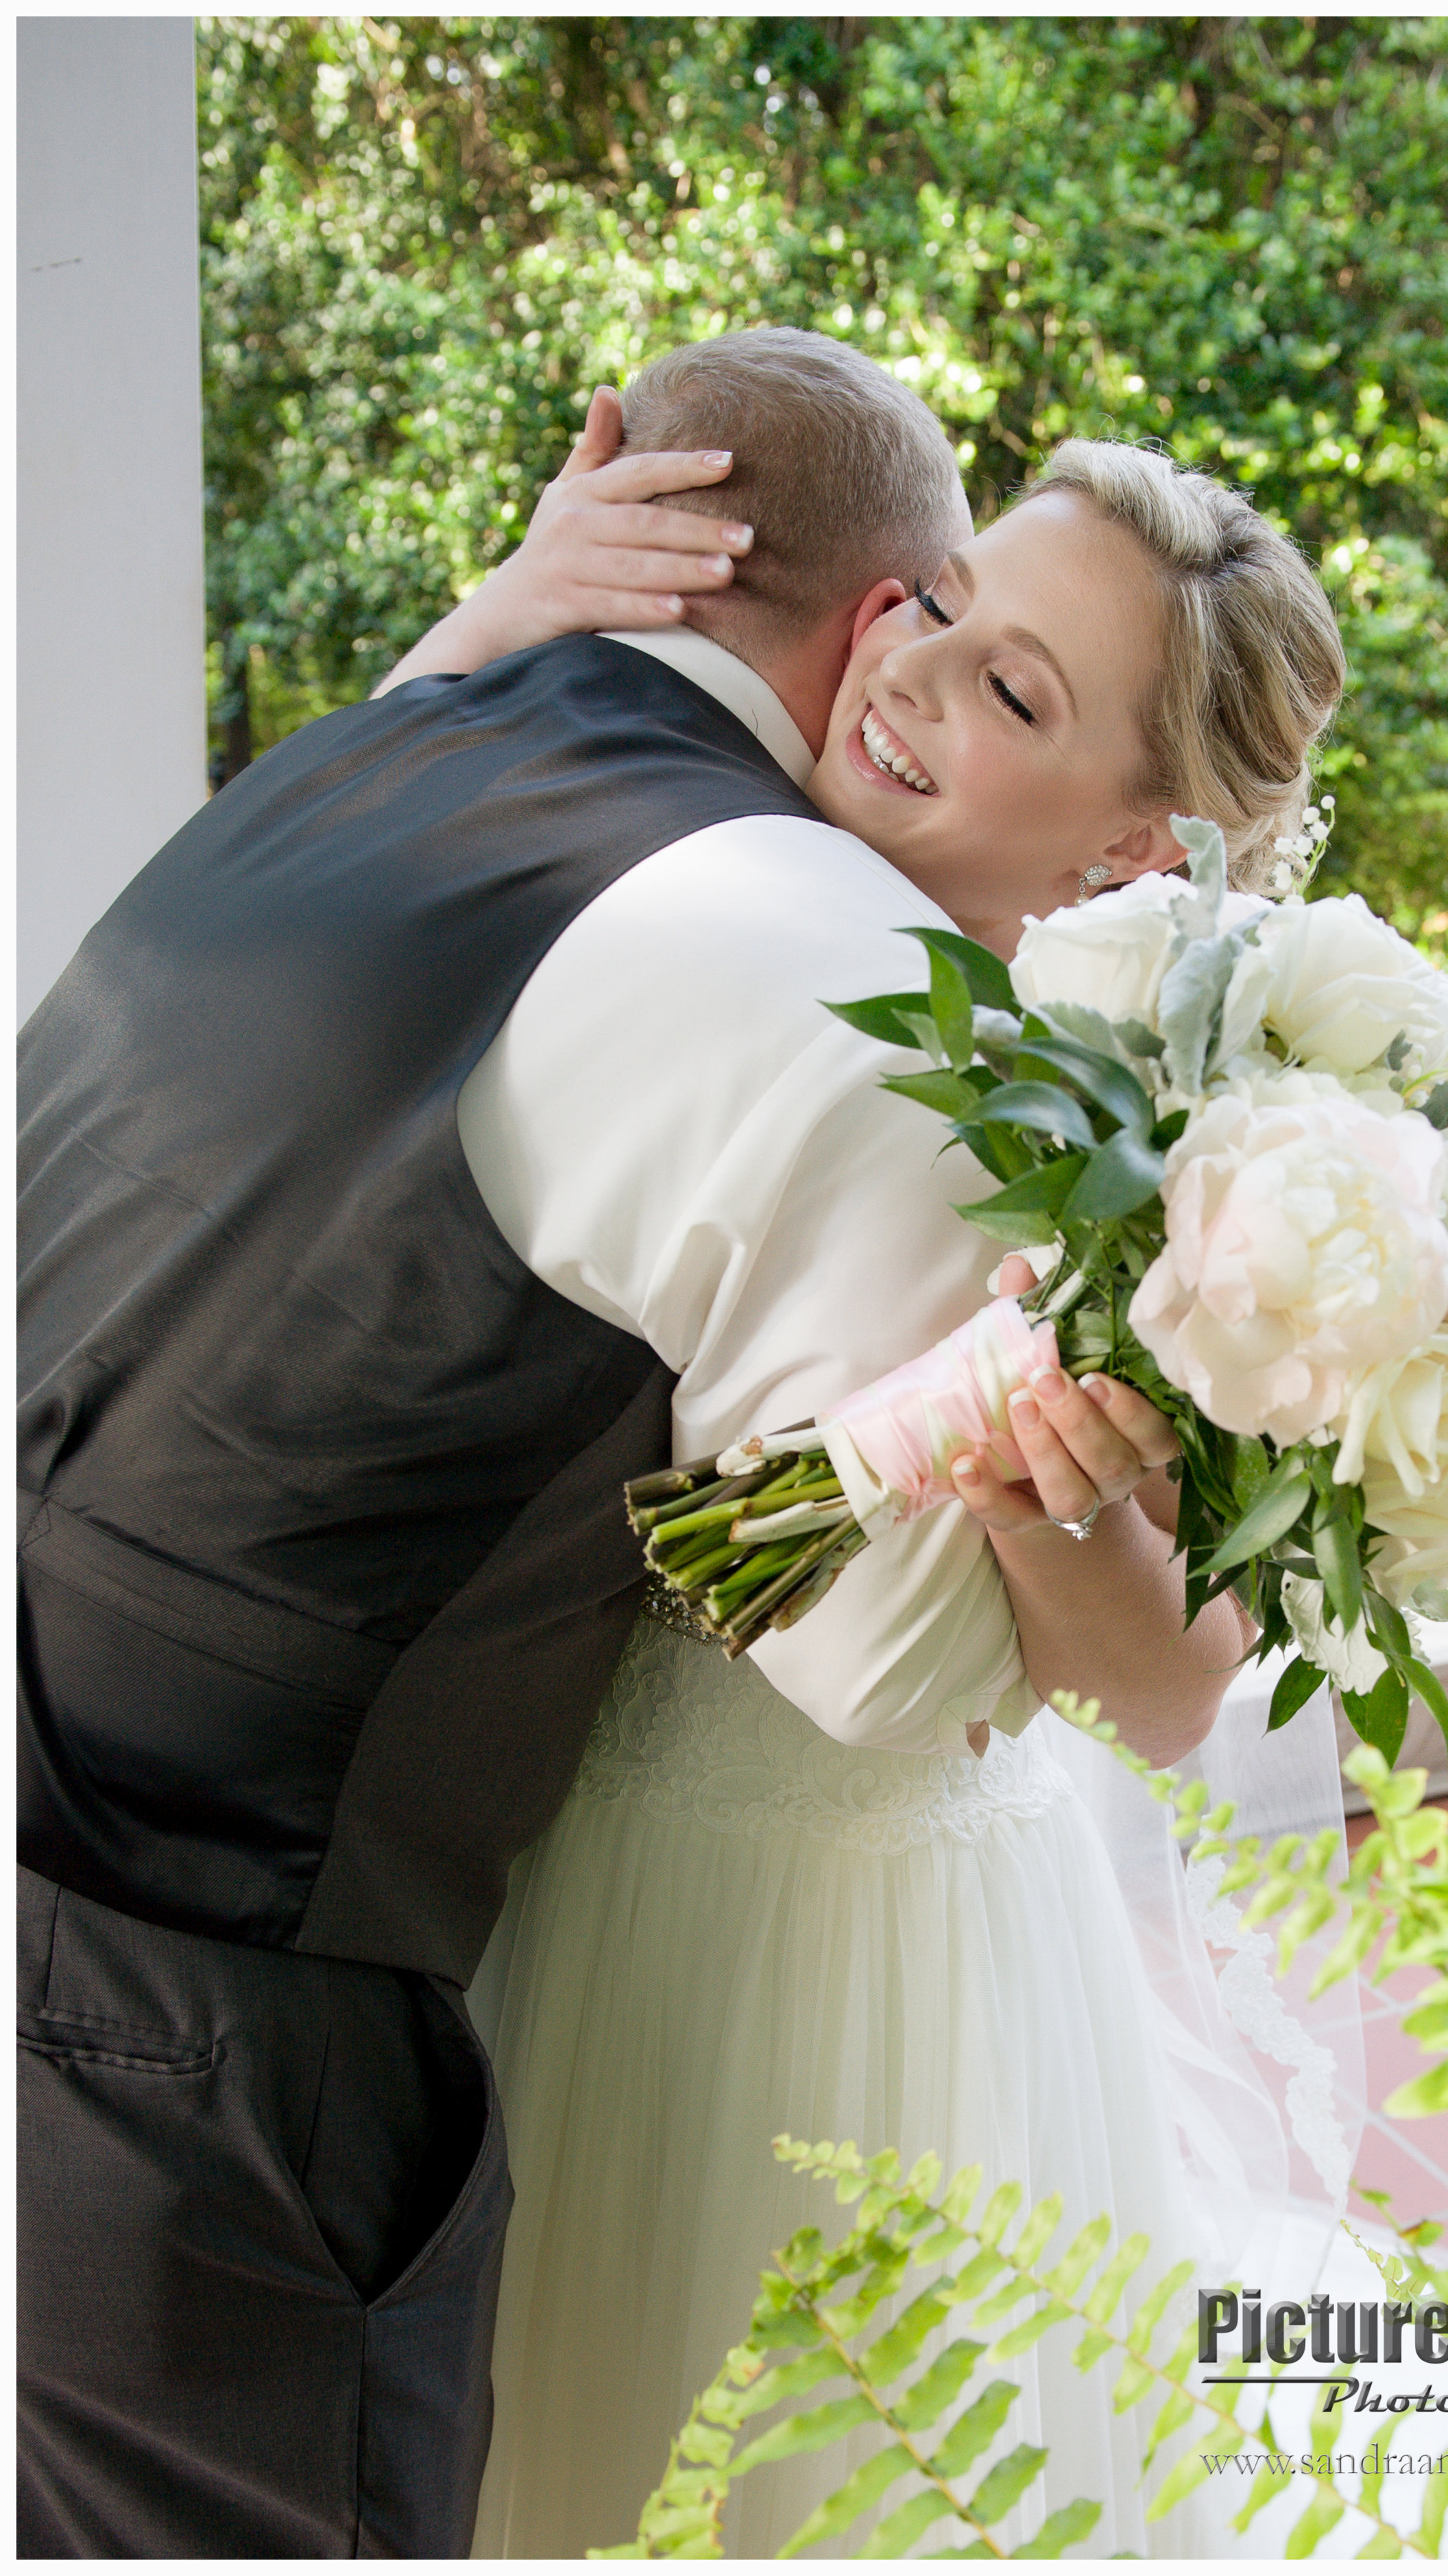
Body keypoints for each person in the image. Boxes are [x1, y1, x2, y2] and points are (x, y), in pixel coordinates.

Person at [17, 328, 992, 2559]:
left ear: (599, 495)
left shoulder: (342, 765)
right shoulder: (792, 928)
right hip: (211, 2011)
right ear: (887, 621)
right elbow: (880, 1673)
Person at [393, 406, 1347, 2553]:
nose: (908, 671)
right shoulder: (705, 912)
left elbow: (1172, 1689)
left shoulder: (1166, 1162)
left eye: (1013, 690)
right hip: (578, 1879)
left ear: (1131, 854)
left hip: (878, 1941)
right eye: (942, 608)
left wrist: (1056, 1484)